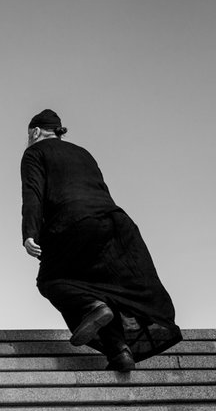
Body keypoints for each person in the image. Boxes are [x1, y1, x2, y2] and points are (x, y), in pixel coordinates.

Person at [21, 109, 182, 372]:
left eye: (28, 135)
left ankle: (91, 305)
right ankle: (120, 353)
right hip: (114, 223)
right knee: (103, 285)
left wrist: (30, 233)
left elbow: (33, 193)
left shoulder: (34, 153)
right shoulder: (84, 153)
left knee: (50, 281)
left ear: (36, 132)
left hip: (71, 222)